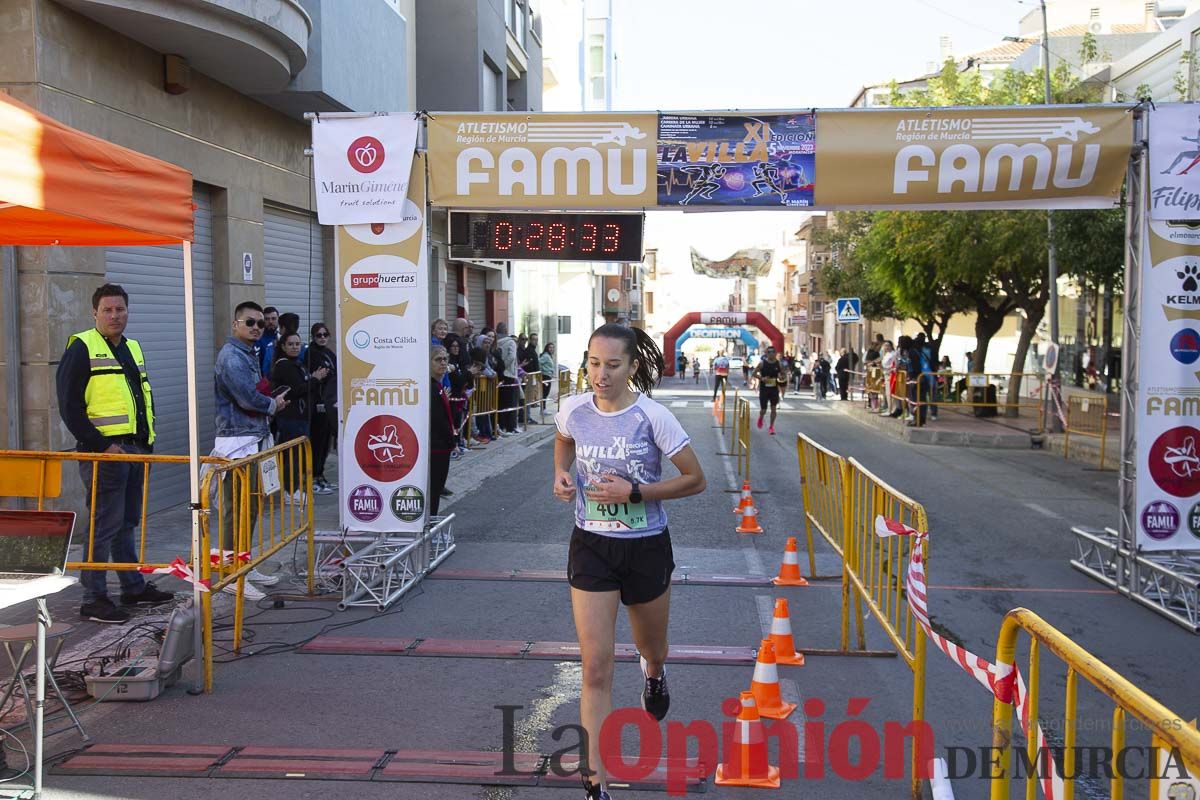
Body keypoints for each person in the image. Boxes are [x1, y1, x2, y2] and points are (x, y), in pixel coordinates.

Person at [552, 324, 705, 800]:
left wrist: (636, 491)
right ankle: (595, 779)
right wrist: (561, 475)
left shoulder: (653, 417)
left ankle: (655, 674)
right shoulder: (573, 409)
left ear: (632, 367)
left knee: (651, 646)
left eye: (612, 366)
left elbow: (695, 479)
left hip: (645, 547)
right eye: (594, 364)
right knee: (595, 667)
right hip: (592, 544)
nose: (600, 375)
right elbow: (563, 441)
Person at [56, 283, 175, 623]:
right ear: (94, 313)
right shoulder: (82, 347)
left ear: (127, 311)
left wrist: (145, 444)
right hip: (105, 452)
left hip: (134, 448)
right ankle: (93, 597)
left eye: (120, 309)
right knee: (103, 525)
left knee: (127, 522)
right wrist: (102, 445)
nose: (114, 315)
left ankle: (133, 587)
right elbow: (69, 406)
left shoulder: (132, 348)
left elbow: (139, 397)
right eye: (107, 310)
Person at [211, 301, 290, 599]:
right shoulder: (232, 356)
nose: (256, 327)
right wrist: (273, 405)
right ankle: (230, 573)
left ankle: (243, 563)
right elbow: (246, 397)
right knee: (235, 508)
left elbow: (254, 392)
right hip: (237, 442)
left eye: (260, 323)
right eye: (249, 323)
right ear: (235, 324)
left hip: (254, 437)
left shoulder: (249, 353)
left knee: (251, 505)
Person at [270, 331, 329, 502]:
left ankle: (293, 488)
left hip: (301, 417)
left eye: (298, 344)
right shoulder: (284, 366)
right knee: (292, 456)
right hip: (291, 417)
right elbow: (295, 390)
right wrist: (315, 379)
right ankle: (290, 491)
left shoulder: (298, 364)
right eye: (291, 344)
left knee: (298, 455)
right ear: (283, 346)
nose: (295, 347)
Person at [304, 323, 337, 494]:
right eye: (318, 335)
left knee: (325, 443)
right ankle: (313, 477)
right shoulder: (311, 353)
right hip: (317, 404)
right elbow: (320, 375)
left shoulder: (329, 353)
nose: (322, 337)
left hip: (329, 403)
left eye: (325, 334)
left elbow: (334, 372)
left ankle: (320, 474)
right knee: (317, 442)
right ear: (313, 336)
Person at [429, 346, 456, 515]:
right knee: (434, 489)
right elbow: (438, 420)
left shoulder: (438, 387)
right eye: (438, 359)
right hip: (436, 446)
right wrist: (452, 439)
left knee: (437, 489)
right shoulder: (431, 388)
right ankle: (430, 528)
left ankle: (431, 524)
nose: (443, 363)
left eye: (445, 359)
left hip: (442, 446)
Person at [495, 323, 520, 435]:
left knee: (501, 402)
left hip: (500, 374)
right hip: (510, 375)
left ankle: (503, 425)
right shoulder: (511, 342)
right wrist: (504, 366)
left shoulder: (496, 343)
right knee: (511, 402)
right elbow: (512, 357)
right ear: (506, 330)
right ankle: (511, 427)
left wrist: (500, 368)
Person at [753, 346, 783, 435]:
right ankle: (761, 417)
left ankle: (771, 427)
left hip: (774, 389)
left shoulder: (778, 364)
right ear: (766, 353)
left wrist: (781, 377)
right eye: (769, 352)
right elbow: (754, 373)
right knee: (764, 409)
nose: (771, 354)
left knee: (773, 408)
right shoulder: (762, 363)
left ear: (775, 353)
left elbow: (783, 374)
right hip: (764, 389)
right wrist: (762, 378)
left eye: (773, 352)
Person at [258, 306, 279, 373]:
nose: (270, 322)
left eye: (273, 318)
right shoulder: (258, 339)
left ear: (278, 319)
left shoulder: (282, 338)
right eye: (267, 319)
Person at [539, 341, 558, 411]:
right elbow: (539, 362)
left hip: (548, 376)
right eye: (550, 347)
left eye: (553, 347)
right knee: (545, 393)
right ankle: (543, 409)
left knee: (546, 393)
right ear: (547, 348)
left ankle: (543, 408)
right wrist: (542, 370)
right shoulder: (546, 356)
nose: (551, 349)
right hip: (545, 376)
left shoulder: (549, 356)